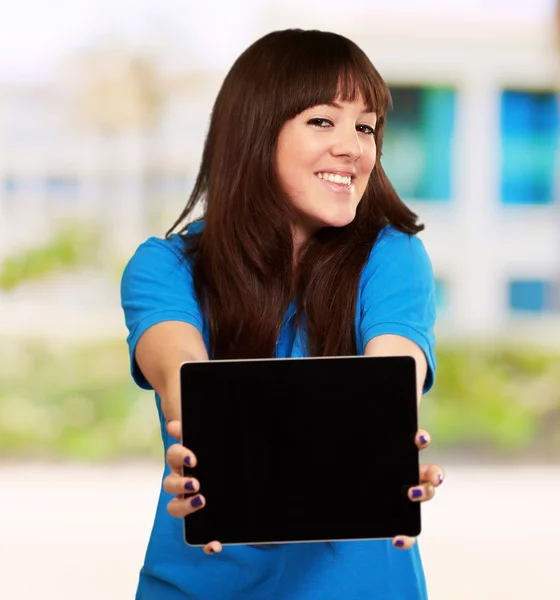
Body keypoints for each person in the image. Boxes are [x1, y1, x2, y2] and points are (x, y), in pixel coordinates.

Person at [121, 28, 444, 600]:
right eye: (324, 120)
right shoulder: (165, 266)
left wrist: (389, 439)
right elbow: (182, 379)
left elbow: (394, 375)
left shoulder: (392, 255)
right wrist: (198, 446)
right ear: (255, 130)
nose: (354, 147)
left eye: (366, 126)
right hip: (199, 586)